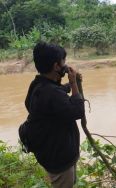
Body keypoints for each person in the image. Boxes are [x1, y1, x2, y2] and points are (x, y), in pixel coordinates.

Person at [24, 42, 85, 188]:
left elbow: (49, 97)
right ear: (57, 66)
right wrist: (74, 84)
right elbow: (78, 111)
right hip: (60, 160)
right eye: (63, 61)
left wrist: (69, 85)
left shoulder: (37, 84)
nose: (66, 64)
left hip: (49, 152)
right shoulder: (52, 93)